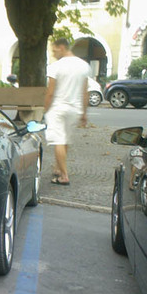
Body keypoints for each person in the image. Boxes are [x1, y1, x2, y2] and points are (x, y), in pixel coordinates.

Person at [43, 38, 91, 186]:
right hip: (74, 109)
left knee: (58, 140)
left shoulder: (55, 66)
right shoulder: (83, 66)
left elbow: (50, 92)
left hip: (57, 108)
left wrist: (44, 110)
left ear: (62, 47)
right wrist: (84, 113)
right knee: (65, 140)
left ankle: (64, 176)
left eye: (54, 49)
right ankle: (58, 168)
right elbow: (85, 92)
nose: (53, 53)